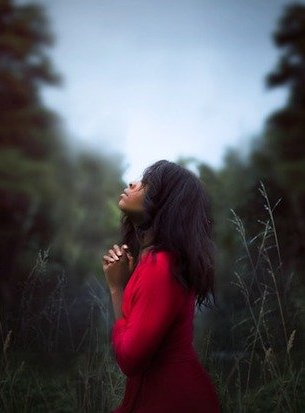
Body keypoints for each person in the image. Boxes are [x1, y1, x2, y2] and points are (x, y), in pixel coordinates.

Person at [102, 160, 221, 413]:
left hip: (172, 400)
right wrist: (120, 287)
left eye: (146, 184)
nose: (133, 183)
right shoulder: (158, 262)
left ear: (165, 203)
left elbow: (130, 359)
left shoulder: (161, 266)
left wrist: (116, 288)